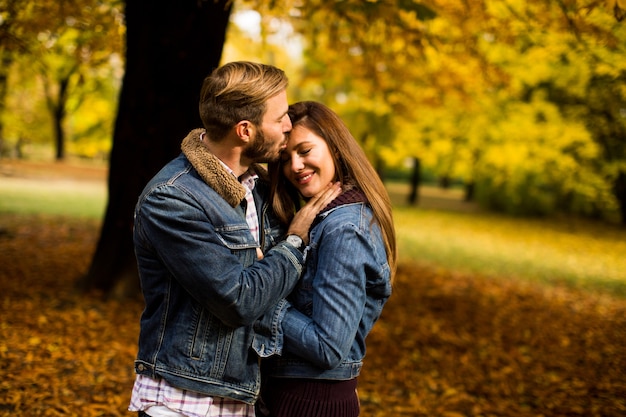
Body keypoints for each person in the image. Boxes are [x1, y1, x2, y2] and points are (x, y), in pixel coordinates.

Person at [128, 63, 341, 417]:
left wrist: (265, 269)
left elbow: (269, 288)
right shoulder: (172, 199)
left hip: (240, 397)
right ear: (245, 130)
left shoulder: (256, 189)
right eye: (280, 118)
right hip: (183, 401)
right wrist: (292, 243)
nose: (288, 125)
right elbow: (239, 300)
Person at [256, 101, 397, 417]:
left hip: (309, 402)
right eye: (286, 157)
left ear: (335, 147)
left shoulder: (344, 229)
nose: (295, 166)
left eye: (305, 151)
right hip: (298, 397)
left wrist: (259, 297)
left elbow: (328, 346)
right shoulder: (327, 219)